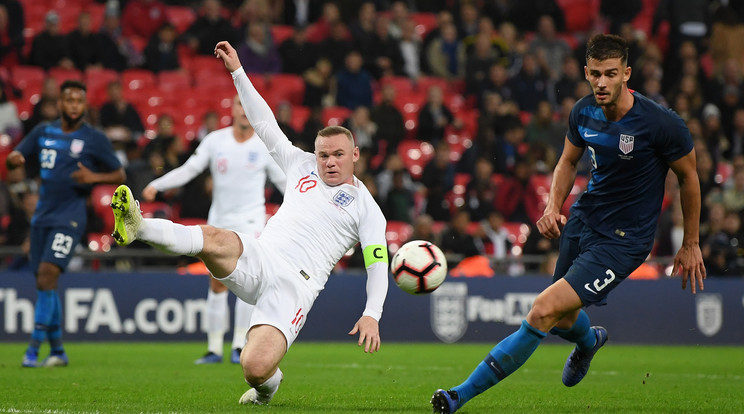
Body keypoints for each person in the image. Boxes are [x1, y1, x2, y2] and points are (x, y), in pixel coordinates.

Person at [431, 34, 706, 413]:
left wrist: (690, 242)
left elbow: (689, 178)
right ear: (586, 73)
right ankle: (589, 341)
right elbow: (566, 161)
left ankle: (458, 395)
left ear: (627, 73)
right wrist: (552, 207)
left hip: (624, 241)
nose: (603, 82)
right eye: (596, 74)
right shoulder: (582, 112)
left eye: (611, 74)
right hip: (582, 221)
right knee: (562, 320)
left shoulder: (661, 123)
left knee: (543, 310)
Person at [109, 40, 388, 405]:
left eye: (338, 154)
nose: (329, 162)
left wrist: (372, 314)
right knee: (214, 238)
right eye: (324, 154)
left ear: (355, 154)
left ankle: (268, 388)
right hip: (261, 254)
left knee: (254, 367)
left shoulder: (367, 208)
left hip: (295, 287)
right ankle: (138, 227)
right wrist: (237, 72)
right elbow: (263, 121)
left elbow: (377, 265)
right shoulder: (300, 164)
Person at [141, 95, 286, 365]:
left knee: (247, 283)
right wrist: (158, 184)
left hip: (251, 223)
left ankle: (240, 346)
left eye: (248, 106)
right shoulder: (215, 141)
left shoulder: (266, 146)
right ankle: (214, 349)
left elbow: (285, 183)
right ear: (231, 109)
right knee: (217, 283)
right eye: (239, 105)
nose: (244, 111)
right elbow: (189, 170)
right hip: (219, 221)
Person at [6, 80, 126, 367]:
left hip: (70, 218)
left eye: (79, 101)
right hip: (42, 216)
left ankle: (32, 350)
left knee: (47, 274)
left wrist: (93, 179)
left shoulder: (94, 138)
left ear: (84, 105)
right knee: (45, 282)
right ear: (60, 103)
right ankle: (58, 351)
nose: (73, 106)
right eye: (69, 100)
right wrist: (14, 159)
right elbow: (17, 156)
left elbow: (119, 174)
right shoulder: (43, 131)